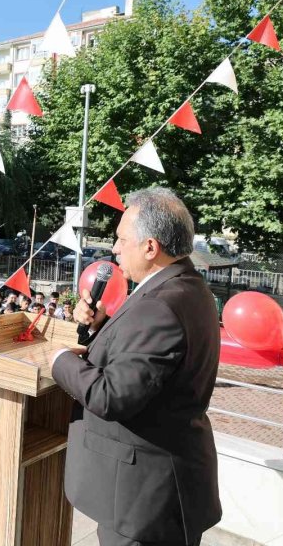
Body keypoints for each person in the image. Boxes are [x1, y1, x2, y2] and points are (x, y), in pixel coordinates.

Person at [50, 187, 222, 546]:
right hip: (161, 489)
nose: (114, 249)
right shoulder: (188, 288)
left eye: (122, 239)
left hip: (145, 502)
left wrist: (58, 359)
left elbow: (112, 396)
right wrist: (100, 326)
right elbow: (148, 365)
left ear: (150, 247)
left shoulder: (159, 304)